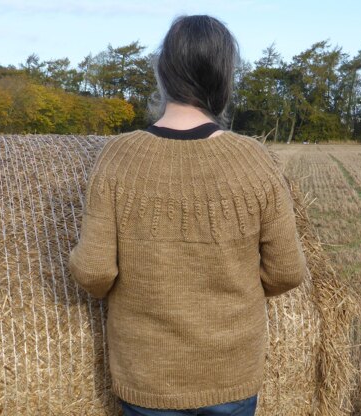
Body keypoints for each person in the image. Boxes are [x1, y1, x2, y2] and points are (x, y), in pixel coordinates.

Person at [68, 14, 307, 416]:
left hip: (147, 376)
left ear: (163, 73)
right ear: (224, 79)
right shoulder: (255, 162)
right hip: (231, 373)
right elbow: (287, 271)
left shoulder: (118, 159)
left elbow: (93, 273)